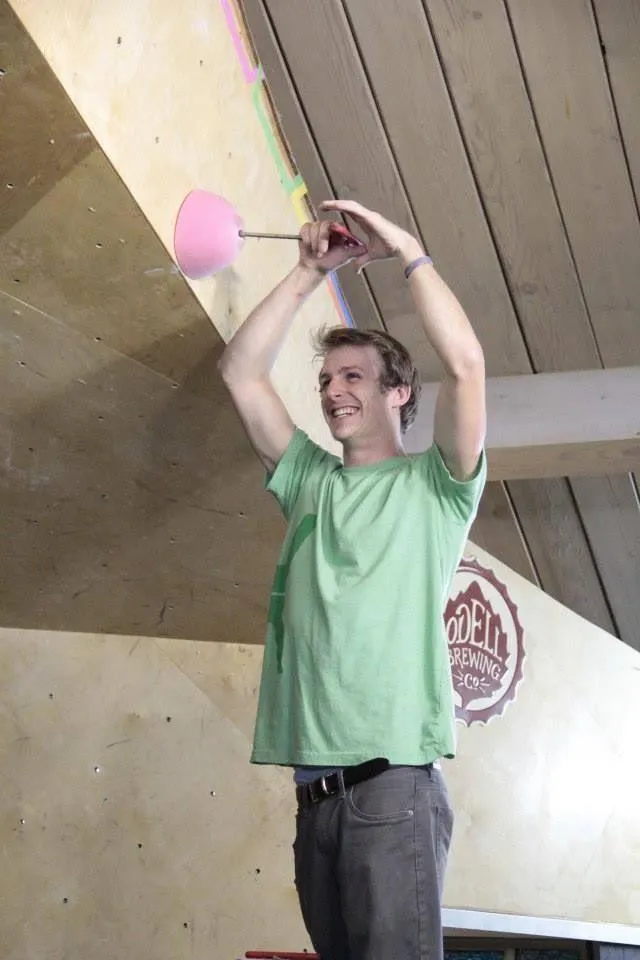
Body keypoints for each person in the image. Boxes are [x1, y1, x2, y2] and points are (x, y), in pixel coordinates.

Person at [218, 199, 487, 960]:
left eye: (354, 376)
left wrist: (408, 248)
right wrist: (309, 271)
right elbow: (240, 372)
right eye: (327, 378)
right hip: (315, 800)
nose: (333, 389)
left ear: (399, 392)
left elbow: (467, 366)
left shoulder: (436, 487)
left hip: (391, 790)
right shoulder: (309, 480)